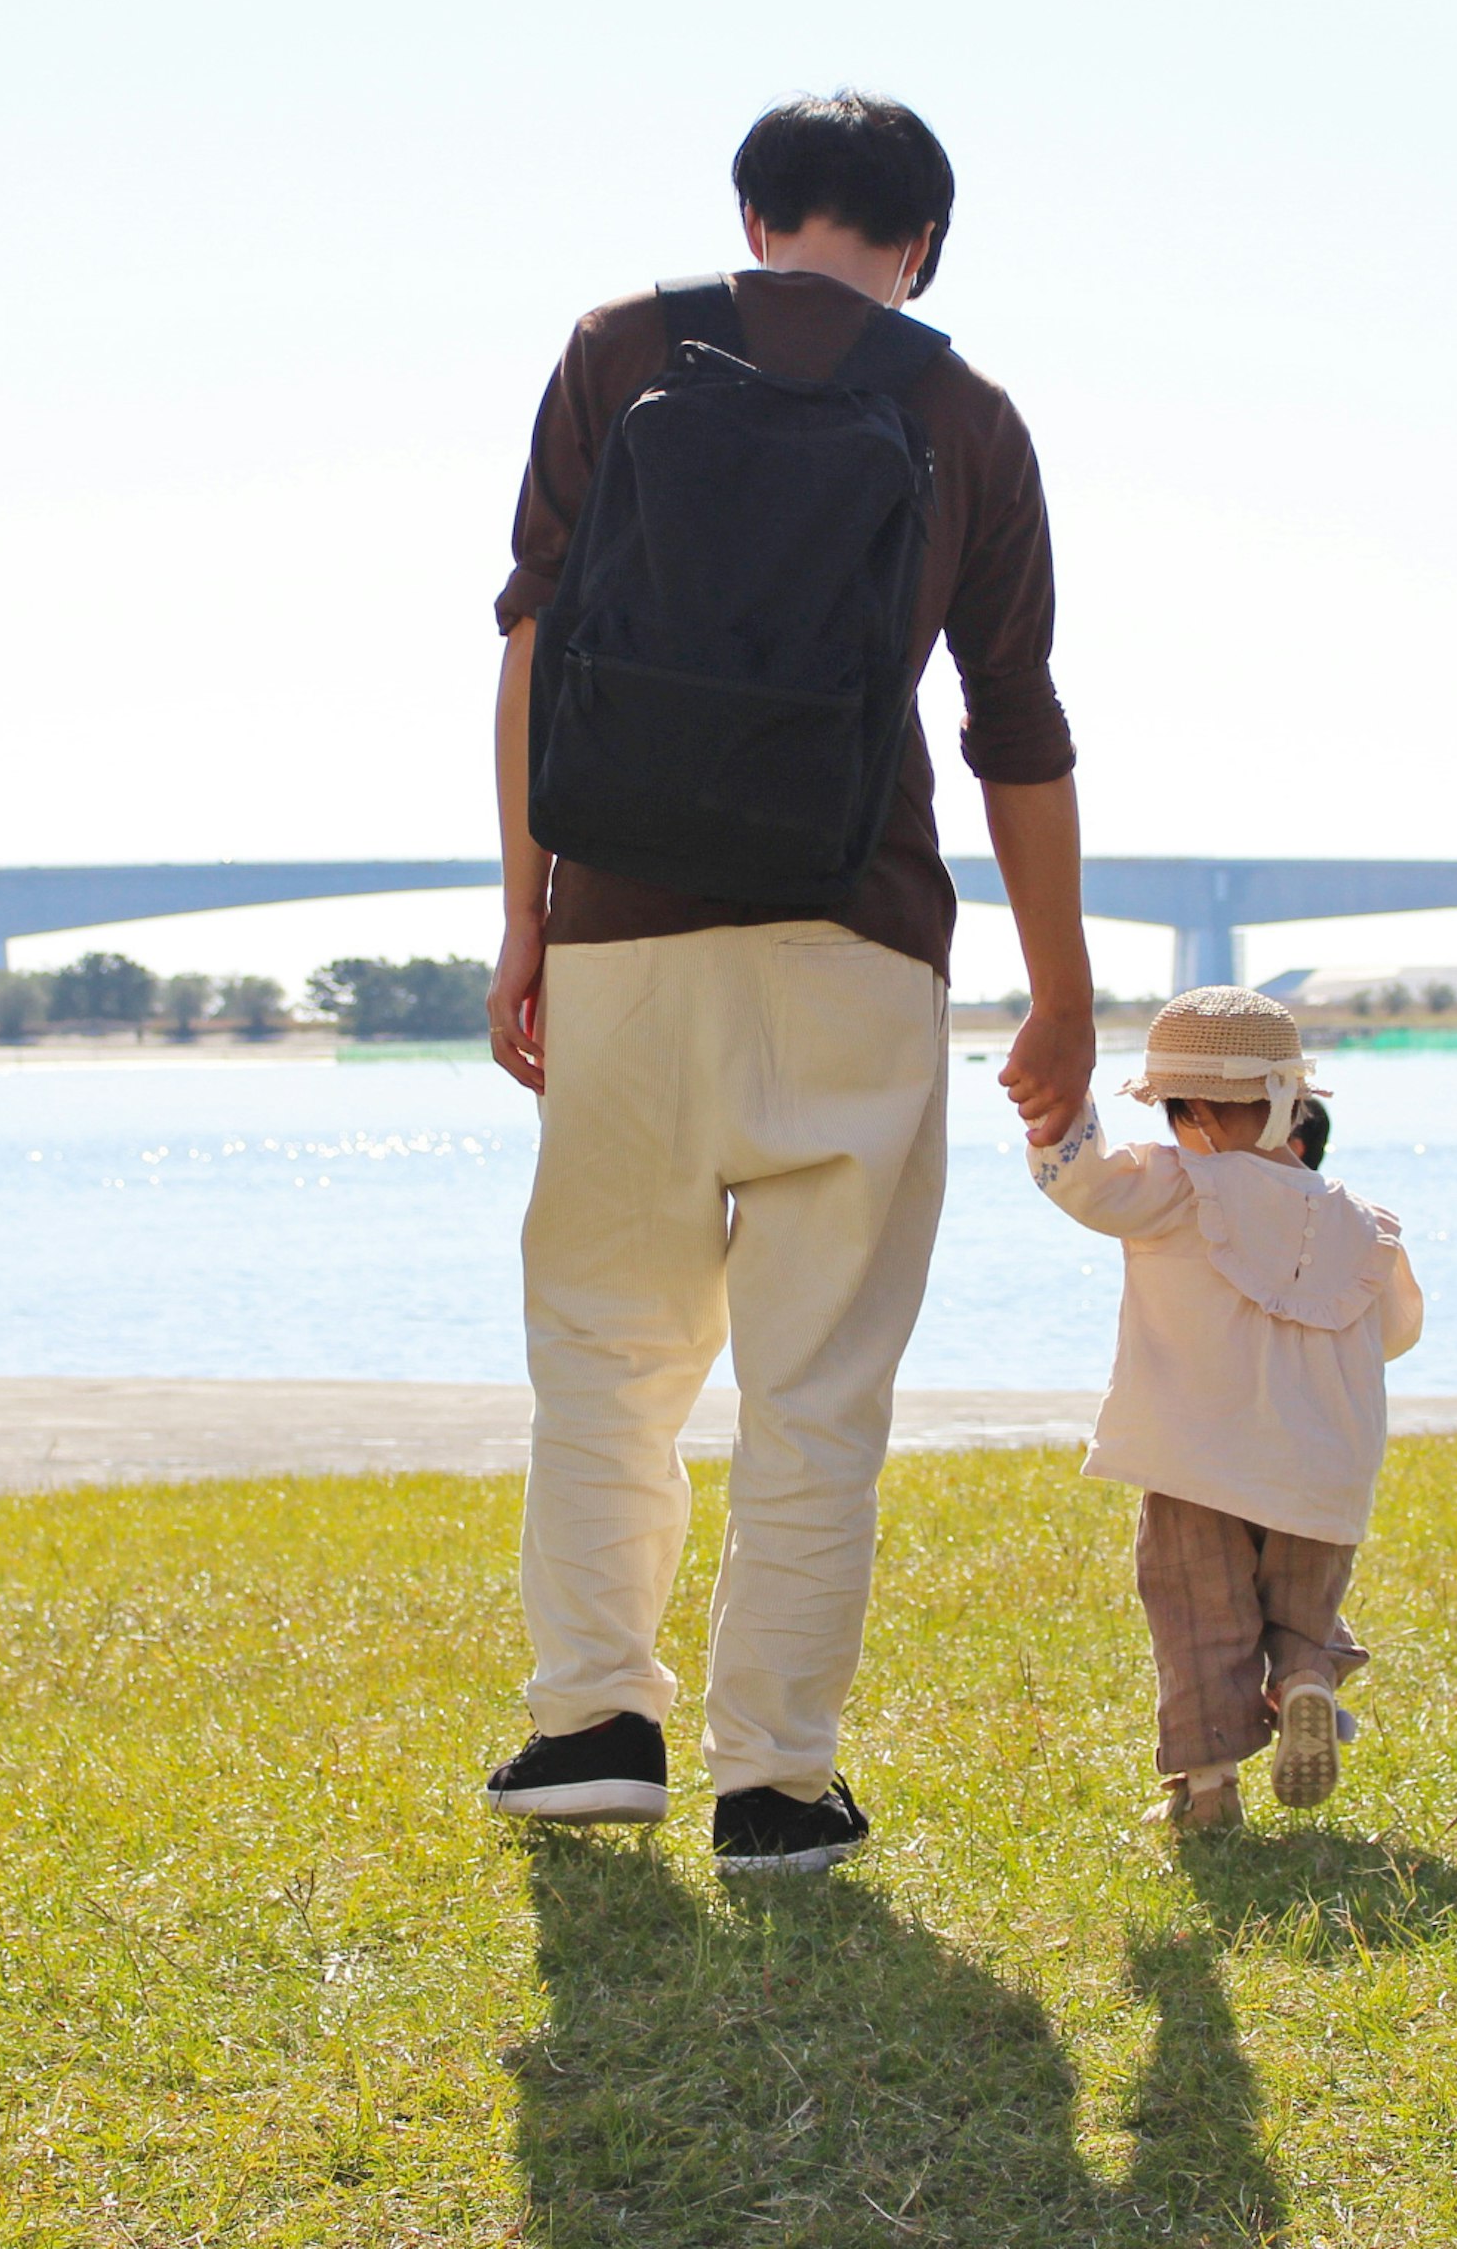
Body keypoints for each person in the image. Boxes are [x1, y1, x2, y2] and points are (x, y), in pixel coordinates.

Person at [479, 91, 1097, 1873]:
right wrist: (1059, 993)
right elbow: (1017, 727)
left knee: (608, 1352)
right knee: (818, 1382)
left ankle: (590, 1722)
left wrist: (528, 911)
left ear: (756, 219)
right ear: (921, 248)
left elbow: (532, 644)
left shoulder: (618, 350)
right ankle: (776, 1781)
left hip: (625, 936)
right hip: (860, 935)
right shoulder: (964, 410)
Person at [1026, 987, 1421, 1832]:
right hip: (1327, 1474)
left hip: (1199, 1459)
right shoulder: (1365, 1222)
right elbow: (1395, 1333)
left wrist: (1060, 1104)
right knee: (1299, 1607)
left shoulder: (1178, 1185)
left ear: (1193, 1110)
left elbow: (1086, 1184)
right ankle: (1307, 1676)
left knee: (1198, 1608)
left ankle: (1207, 1793)